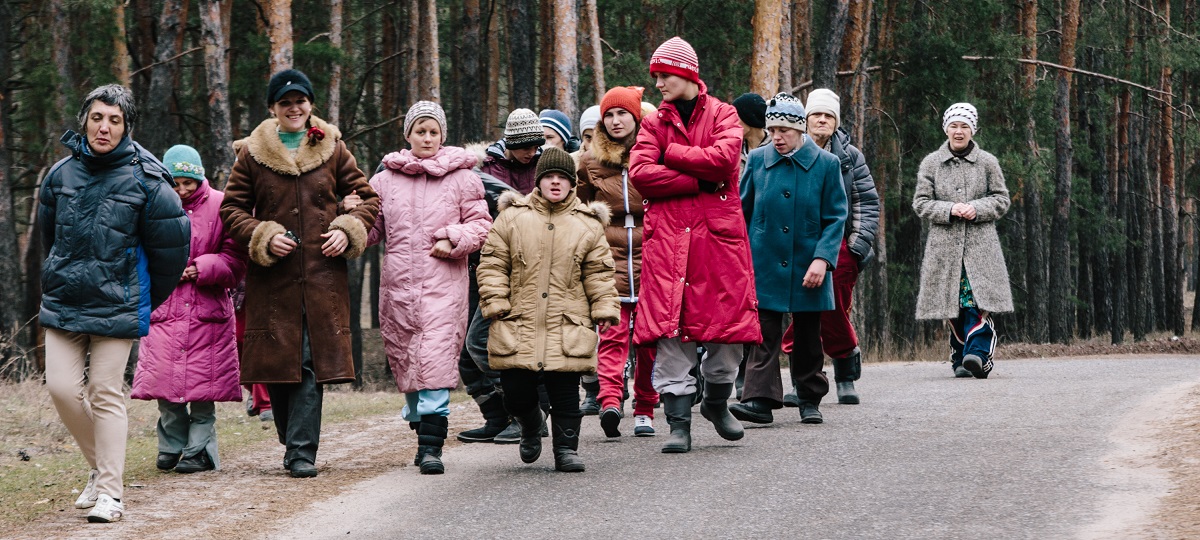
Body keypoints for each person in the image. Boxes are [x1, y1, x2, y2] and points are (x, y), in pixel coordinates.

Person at [40, 84, 190, 523]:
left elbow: (172, 250)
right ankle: (99, 466)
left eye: (114, 120)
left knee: (104, 391)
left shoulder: (148, 179)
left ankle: (110, 493)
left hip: (117, 305)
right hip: (65, 299)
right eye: (97, 117)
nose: (104, 127)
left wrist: (141, 298)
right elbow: (51, 238)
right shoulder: (60, 174)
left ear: (126, 127)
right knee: (62, 389)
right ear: (85, 120)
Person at [221, 68, 380, 478]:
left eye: (300, 101)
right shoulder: (251, 154)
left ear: (311, 105)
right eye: (285, 102)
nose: (294, 108)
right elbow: (231, 210)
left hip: (322, 278)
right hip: (272, 282)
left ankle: (301, 451)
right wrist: (263, 234)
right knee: (278, 363)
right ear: (273, 108)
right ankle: (292, 436)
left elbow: (367, 199)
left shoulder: (334, 147)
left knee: (309, 361)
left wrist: (348, 230)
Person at [628, 36, 759, 454]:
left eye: (664, 75)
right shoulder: (652, 124)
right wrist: (699, 180)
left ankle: (718, 405)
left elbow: (725, 162)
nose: (659, 83)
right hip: (668, 240)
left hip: (718, 242)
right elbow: (641, 173)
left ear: (685, 74)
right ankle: (678, 424)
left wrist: (674, 155)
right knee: (671, 333)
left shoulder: (724, 113)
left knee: (725, 334)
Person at [477, 146, 621, 472]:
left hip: (567, 320)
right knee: (515, 390)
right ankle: (530, 424)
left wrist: (604, 307)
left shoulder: (586, 225)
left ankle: (566, 449)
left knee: (565, 388)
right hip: (518, 318)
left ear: (572, 183)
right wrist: (496, 301)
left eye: (562, 177)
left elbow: (598, 272)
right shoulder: (512, 217)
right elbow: (492, 264)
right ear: (538, 181)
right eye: (549, 177)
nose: (555, 182)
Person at [366, 101, 491, 474]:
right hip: (398, 290)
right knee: (408, 369)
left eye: (433, 131)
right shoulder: (384, 180)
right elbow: (372, 231)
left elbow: (481, 225)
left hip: (443, 287)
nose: (427, 137)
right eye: (420, 130)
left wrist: (453, 238)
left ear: (443, 135)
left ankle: (432, 449)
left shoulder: (463, 178)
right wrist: (347, 218)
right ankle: (421, 426)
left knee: (435, 363)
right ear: (408, 135)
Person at [730, 93, 847, 425]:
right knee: (763, 333)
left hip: (808, 263)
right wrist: (740, 258)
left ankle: (809, 397)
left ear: (800, 129)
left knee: (808, 335)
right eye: (772, 129)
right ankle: (758, 401)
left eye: (783, 130)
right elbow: (742, 210)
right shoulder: (756, 160)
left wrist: (822, 259)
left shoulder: (827, 165)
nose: (776, 137)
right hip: (764, 261)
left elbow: (836, 217)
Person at [132, 145, 247, 474]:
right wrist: (166, 268)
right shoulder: (153, 204)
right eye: (175, 183)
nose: (182, 190)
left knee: (203, 388)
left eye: (188, 183)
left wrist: (203, 267)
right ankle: (172, 443)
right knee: (163, 385)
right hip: (164, 308)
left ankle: (200, 450)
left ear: (200, 178)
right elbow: (137, 252)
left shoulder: (223, 205)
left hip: (207, 310)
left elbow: (237, 261)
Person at [779, 88, 880, 406]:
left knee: (832, 305)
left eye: (828, 115)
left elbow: (866, 203)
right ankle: (804, 380)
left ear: (835, 121)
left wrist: (856, 247)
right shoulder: (787, 152)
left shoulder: (850, 157)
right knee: (803, 310)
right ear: (806, 120)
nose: (822, 120)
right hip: (797, 244)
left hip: (840, 245)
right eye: (816, 115)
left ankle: (844, 372)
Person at [577, 86, 660, 437]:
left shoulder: (656, 152)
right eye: (608, 115)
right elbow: (577, 209)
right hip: (607, 256)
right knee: (611, 334)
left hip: (651, 255)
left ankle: (645, 408)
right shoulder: (589, 161)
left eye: (621, 113)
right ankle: (610, 400)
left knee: (648, 340)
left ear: (636, 117)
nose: (614, 120)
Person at [913, 102, 1013, 379]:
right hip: (943, 248)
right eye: (954, 126)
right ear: (946, 129)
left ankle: (979, 355)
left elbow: (1001, 199)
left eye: (964, 126)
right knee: (953, 304)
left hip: (981, 247)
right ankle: (960, 356)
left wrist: (977, 208)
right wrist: (949, 209)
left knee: (975, 302)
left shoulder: (988, 162)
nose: (959, 131)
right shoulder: (931, 163)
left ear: (973, 129)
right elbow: (921, 203)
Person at [481, 108, 544, 194]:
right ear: (511, 144)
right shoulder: (487, 168)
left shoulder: (542, 166)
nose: (532, 153)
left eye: (536, 147)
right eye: (526, 148)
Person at [732, 92, 770, 172]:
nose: (732, 122)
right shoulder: (734, 150)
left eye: (735, 117)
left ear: (749, 119)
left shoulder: (776, 148)